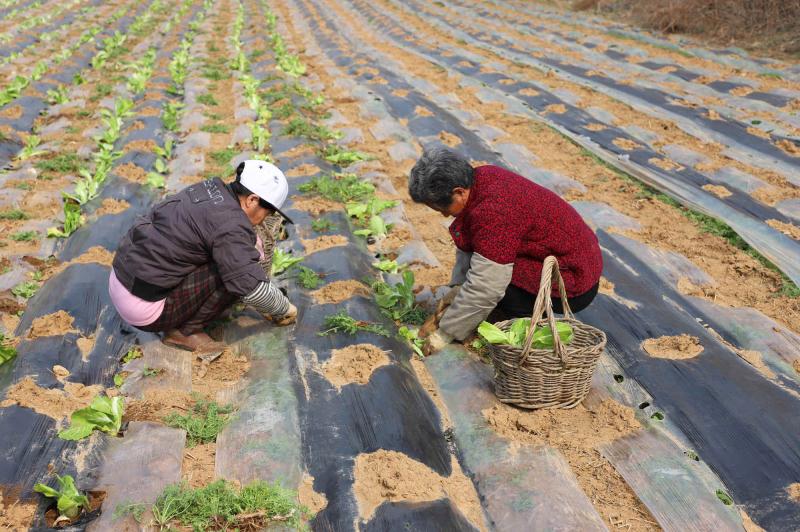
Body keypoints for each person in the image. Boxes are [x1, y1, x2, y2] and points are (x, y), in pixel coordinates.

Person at [409, 148, 603, 354]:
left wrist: (446, 333)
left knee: (497, 289)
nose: (445, 215)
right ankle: (476, 311)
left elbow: (486, 287)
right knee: (484, 275)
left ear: (459, 192)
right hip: (565, 257)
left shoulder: (494, 210)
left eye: (442, 208)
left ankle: (507, 316)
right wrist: (457, 288)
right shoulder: (481, 178)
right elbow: (473, 243)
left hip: (573, 281)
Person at [108, 160, 298, 352]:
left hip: (123, 282)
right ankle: (184, 333)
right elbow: (250, 286)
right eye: (269, 212)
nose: (266, 218)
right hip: (144, 308)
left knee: (236, 256)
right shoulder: (230, 226)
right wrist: (284, 308)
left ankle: (185, 313)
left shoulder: (211, 189)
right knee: (233, 271)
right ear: (252, 200)